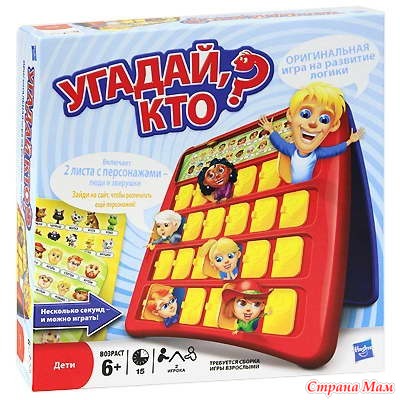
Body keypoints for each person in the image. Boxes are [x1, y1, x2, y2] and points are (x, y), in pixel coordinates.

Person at [258, 81, 364, 184]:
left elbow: (334, 150)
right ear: (290, 115)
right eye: (305, 114)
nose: (313, 123)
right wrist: (271, 130)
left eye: (324, 119)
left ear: (333, 126)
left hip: (307, 188)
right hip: (294, 189)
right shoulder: (291, 150)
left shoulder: (317, 153)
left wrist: (350, 141)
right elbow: (280, 143)